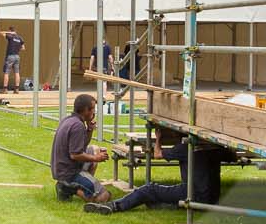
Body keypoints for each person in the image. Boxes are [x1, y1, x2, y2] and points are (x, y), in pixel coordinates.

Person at [50, 93, 188, 216]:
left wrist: (90, 130)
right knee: (104, 196)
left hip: (61, 167)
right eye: (93, 109)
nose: (94, 112)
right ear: (85, 110)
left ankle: (81, 185)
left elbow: (81, 146)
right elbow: (75, 154)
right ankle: (69, 187)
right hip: (69, 171)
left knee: (95, 149)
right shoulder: (77, 126)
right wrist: (95, 158)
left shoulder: (69, 120)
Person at [0, 26, 24, 92]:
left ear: (10, 31)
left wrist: (9, 32)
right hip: (17, 56)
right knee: (17, 72)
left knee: (6, 72)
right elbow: (23, 48)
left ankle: (5, 89)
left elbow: (1, 33)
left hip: (10, 56)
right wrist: (17, 49)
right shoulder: (20, 38)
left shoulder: (10, 36)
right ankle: (17, 89)